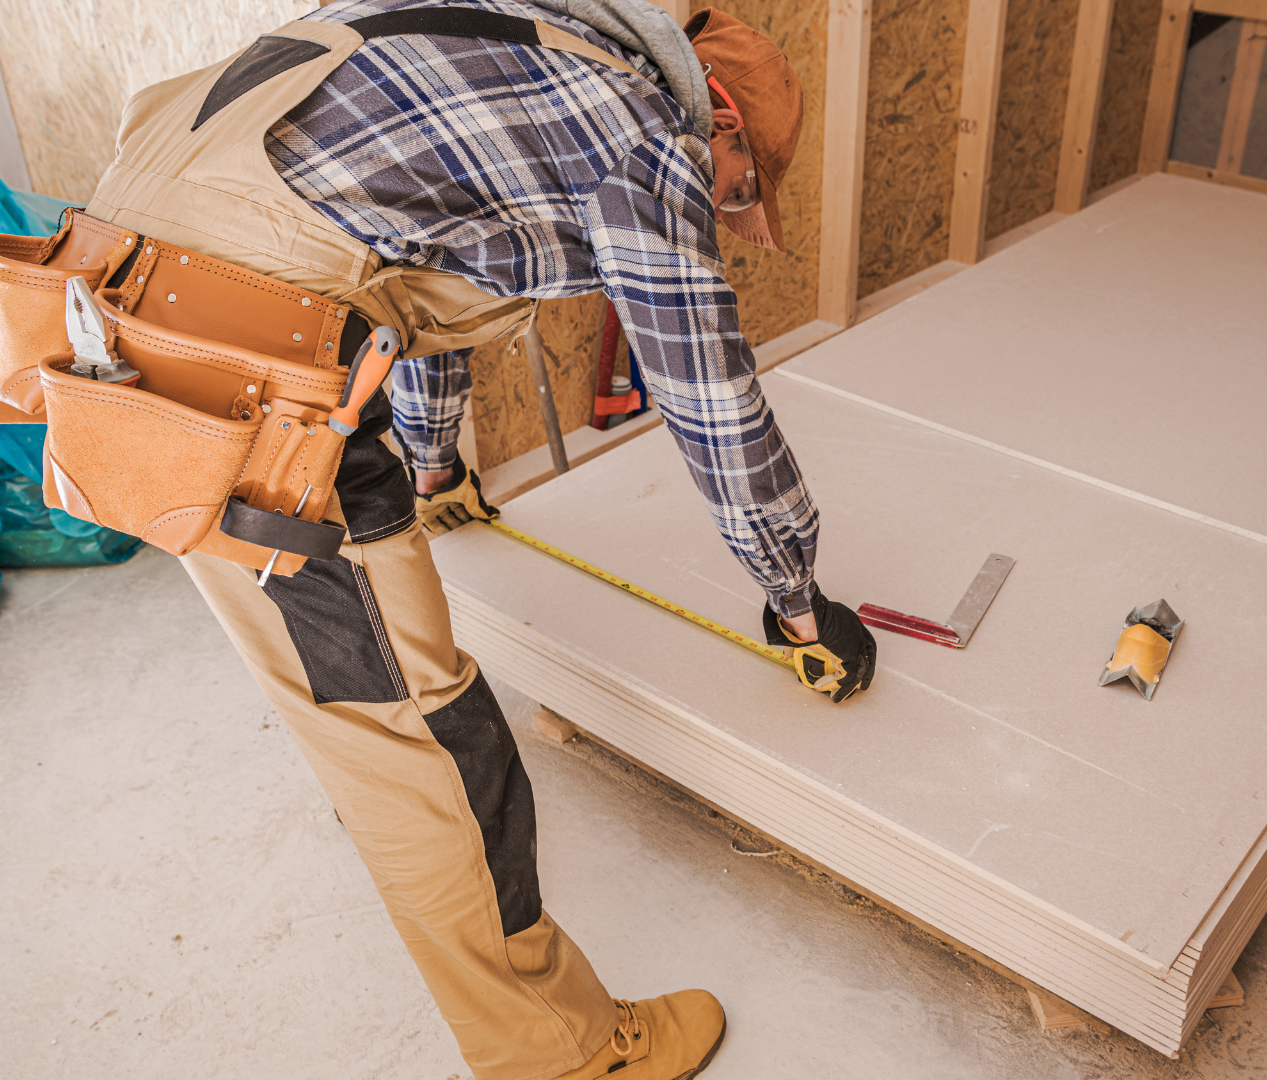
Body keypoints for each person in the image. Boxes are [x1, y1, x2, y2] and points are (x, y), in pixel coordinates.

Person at [80, 1, 877, 1076]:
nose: (727, 211)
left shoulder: (514, 42)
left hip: (143, 300)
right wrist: (797, 599)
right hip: (245, 362)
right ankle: (562, 1052)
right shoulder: (647, 140)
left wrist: (433, 468)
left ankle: (390, 799)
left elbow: (413, 269)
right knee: (432, 740)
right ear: (719, 121)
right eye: (739, 189)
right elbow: (709, 397)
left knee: (358, 703)